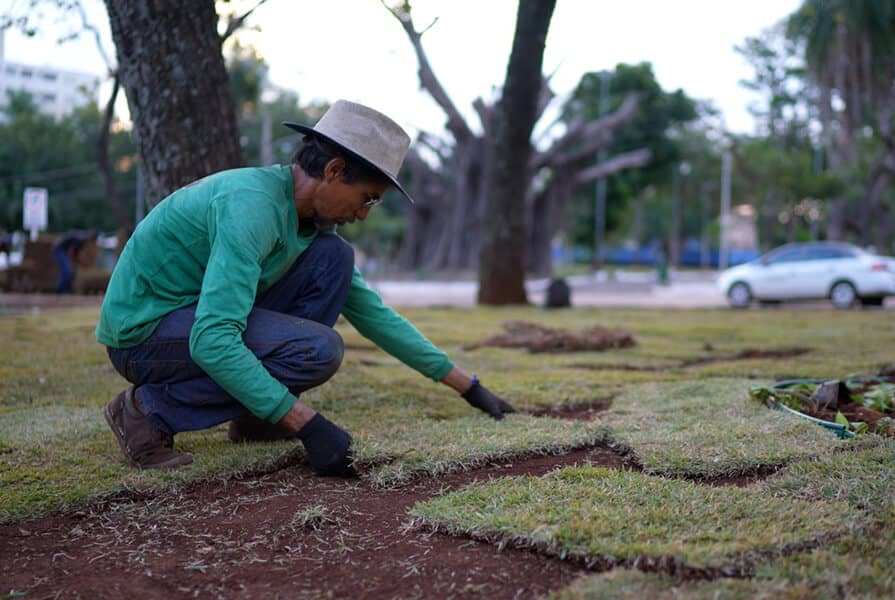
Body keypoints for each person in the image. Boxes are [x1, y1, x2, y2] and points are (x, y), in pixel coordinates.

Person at [96, 100, 515, 476]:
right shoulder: (251, 208)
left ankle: (257, 418)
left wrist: (469, 387)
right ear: (333, 171)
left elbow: (375, 317)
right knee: (316, 350)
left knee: (336, 259)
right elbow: (212, 339)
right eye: (367, 198)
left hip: (191, 321)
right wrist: (304, 422)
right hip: (143, 334)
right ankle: (144, 412)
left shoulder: (309, 228)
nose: (365, 214)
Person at [53, 229, 98, 293]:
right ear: (91, 238)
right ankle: (60, 290)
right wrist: (73, 263)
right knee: (67, 271)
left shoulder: (83, 241)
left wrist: (78, 262)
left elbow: (75, 254)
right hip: (59, 250)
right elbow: (71, 251)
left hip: (63, 250)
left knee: (69, 271)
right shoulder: (81, 239)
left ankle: (65, 290)